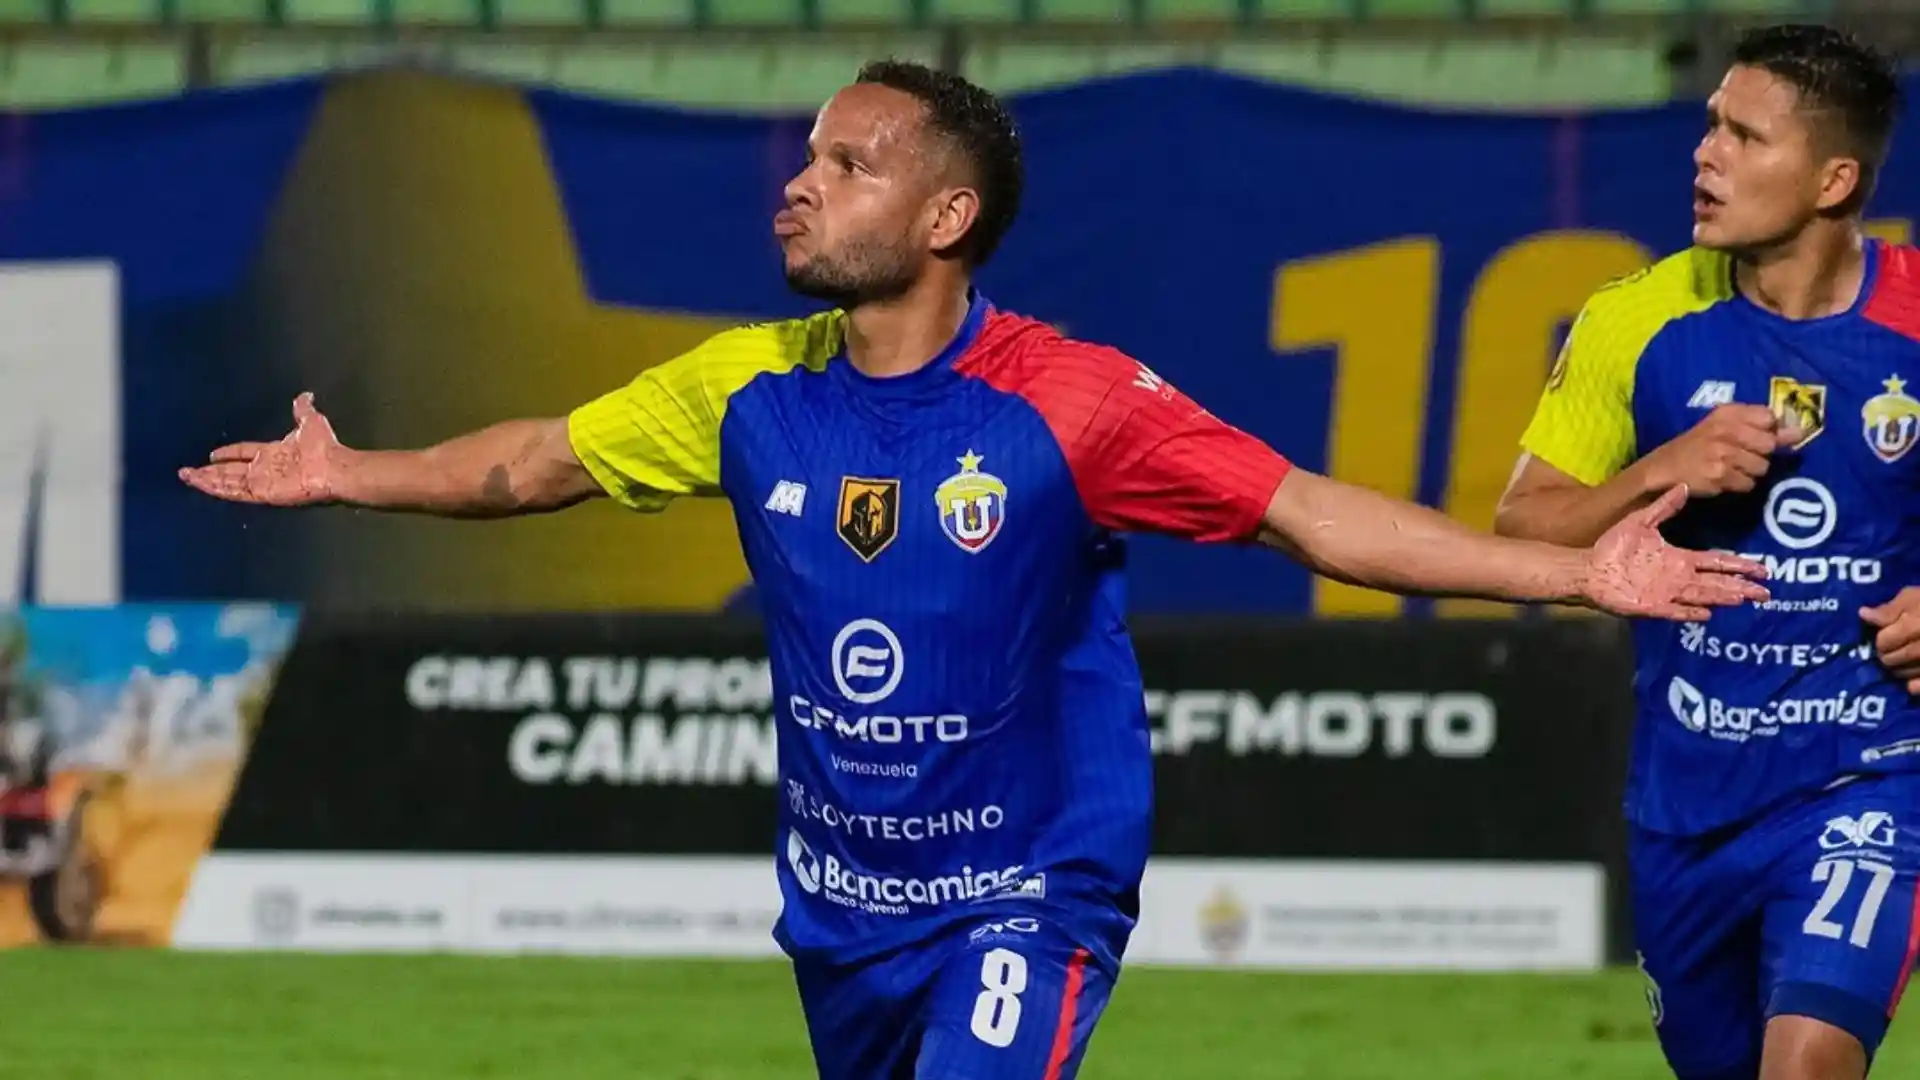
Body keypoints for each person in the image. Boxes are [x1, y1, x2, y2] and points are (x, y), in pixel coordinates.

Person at [183, 60, 1766, 1080]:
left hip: (1032, 890)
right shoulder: (746, 386)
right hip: (845, 909)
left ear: (946, 216)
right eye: (806, 156)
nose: (802, 181)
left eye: (850, 164)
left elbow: (1316, 517)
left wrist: (1573, 578)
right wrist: (349, 474)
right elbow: (532, 465)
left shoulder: (1074, 400)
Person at [1495, 24, 1920, 1080]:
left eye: (1744, 134)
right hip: (1689, 800)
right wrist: (1656, 472)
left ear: (1834, 178)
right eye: (1709, 126)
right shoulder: (1633, 321)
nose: (1706, 154)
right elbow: (1524, 523)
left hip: (1870, 778)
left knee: (1809, 1063)